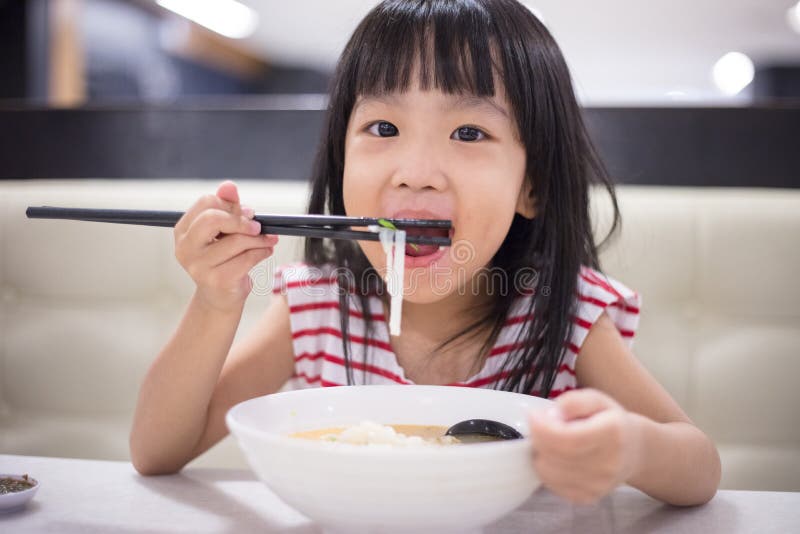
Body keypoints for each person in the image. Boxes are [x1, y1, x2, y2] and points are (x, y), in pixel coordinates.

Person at [130, 0, 721, 506]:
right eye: (383, 129)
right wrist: (214, 302)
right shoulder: (317, 306)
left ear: (532, 187)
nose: (415, 174)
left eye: (468, 133)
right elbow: (157, 452)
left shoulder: (565, 314)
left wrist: (631, 449)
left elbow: (698, 468)